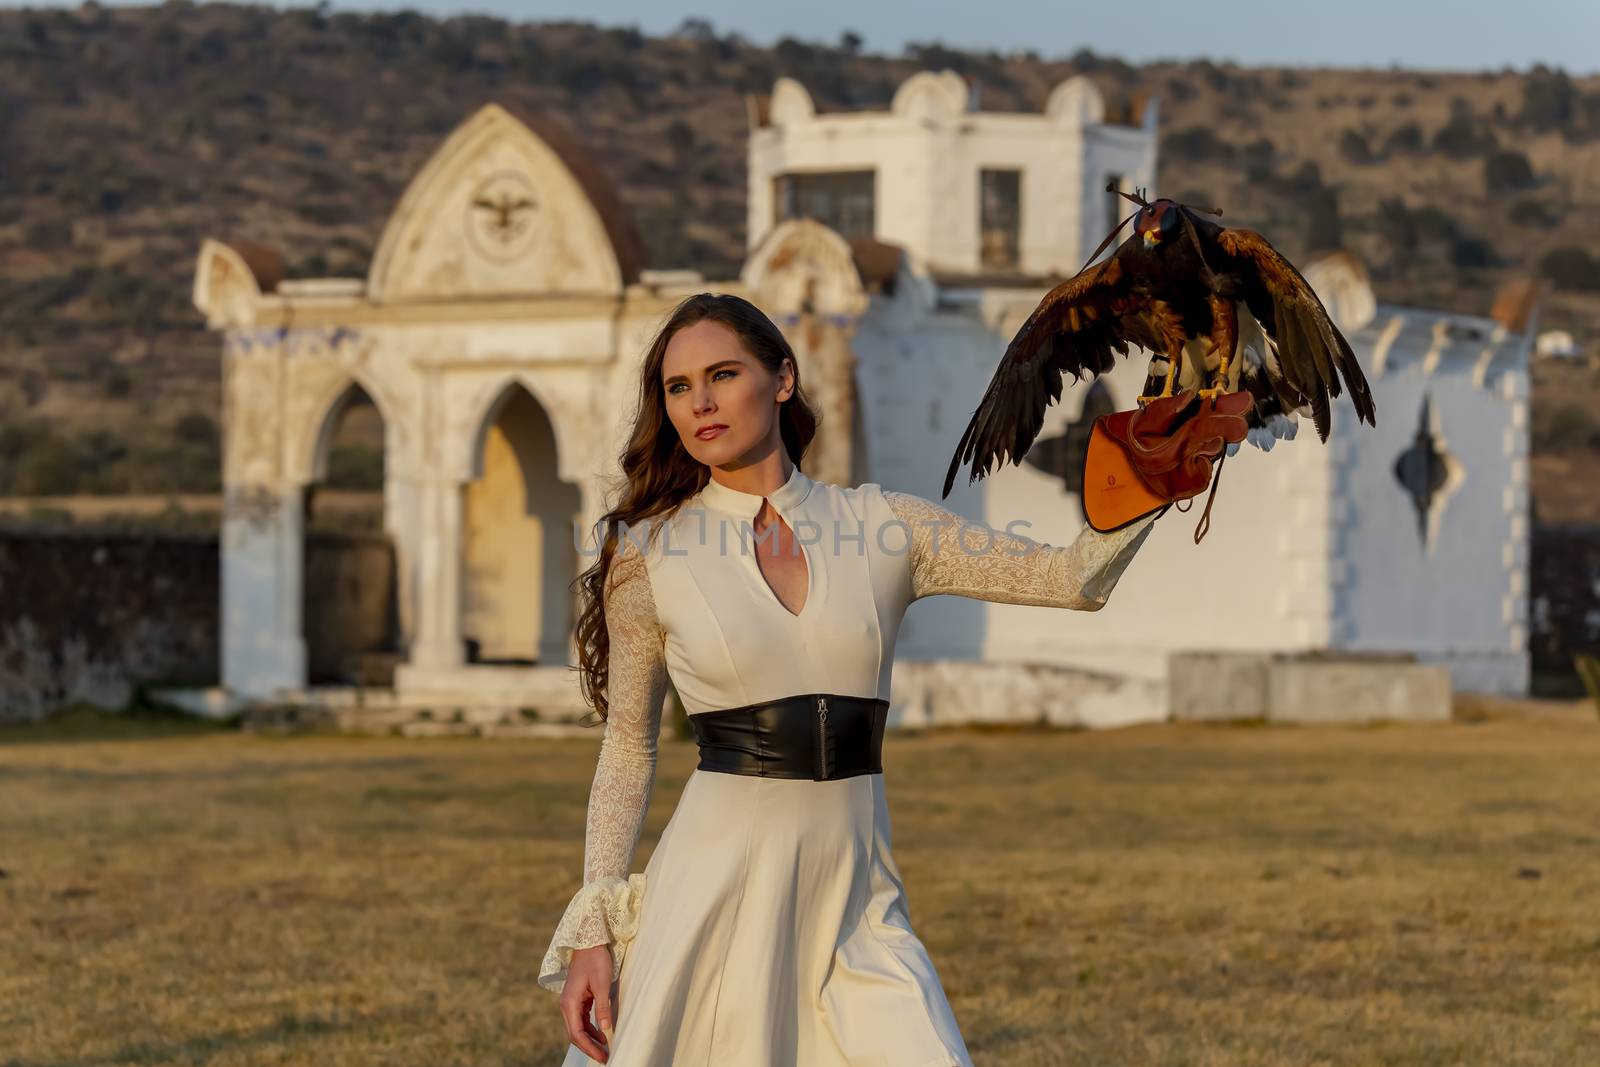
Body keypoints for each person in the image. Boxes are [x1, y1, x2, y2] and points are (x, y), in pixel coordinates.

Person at [538, 292, 1165, 1066]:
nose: (699, 401)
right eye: (677, 386)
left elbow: (1071, 578)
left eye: (724, 373)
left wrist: (1147, 486)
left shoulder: (886, 526)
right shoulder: (651, 552)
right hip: (713, 890)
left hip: (858, 895)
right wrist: (595, 930)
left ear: (782, 378)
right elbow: (629, 750)